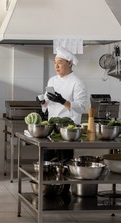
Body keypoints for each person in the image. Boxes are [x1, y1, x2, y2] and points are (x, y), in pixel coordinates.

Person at [39, 46, 89, 194]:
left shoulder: (77, 83)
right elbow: (47, 102)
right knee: (47, 162)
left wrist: (63, 101)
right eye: (55, 62)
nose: (56, 66)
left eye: (60, 62)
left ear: (69, 63)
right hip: (51, 129)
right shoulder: (52, 80)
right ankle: (47, 191)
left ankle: (64, 192)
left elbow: (82, 107)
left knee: (64, 164)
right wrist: (43, 103)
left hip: (68, 132)